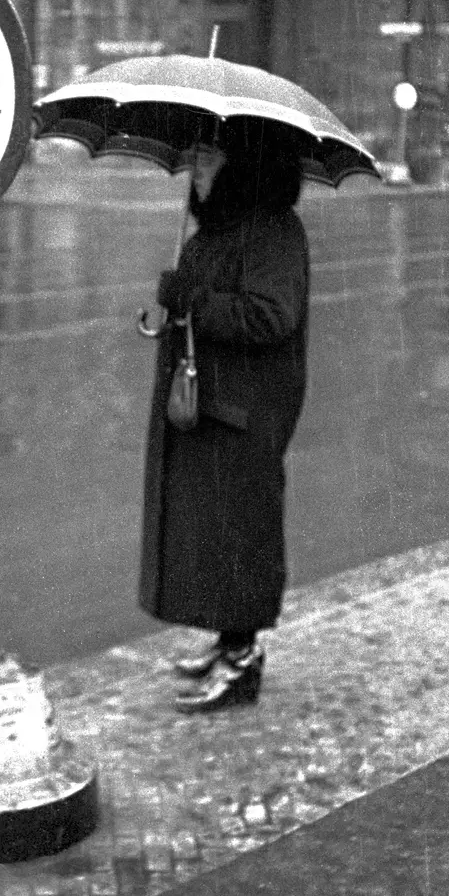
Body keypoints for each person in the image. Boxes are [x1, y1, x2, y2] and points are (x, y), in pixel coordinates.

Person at [138, 129, 309, 713]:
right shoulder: (215, 230)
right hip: (210, 408)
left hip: (245, 414)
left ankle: (243, 661)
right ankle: (228, 638)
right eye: (195, 153)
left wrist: (194, 303)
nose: (196, 164)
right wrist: (174, 308)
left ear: (244, 164)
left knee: (240, 530)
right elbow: (201, 307)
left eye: (209, 155)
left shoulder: (270, 230)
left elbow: (271, 316)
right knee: (214, 534)